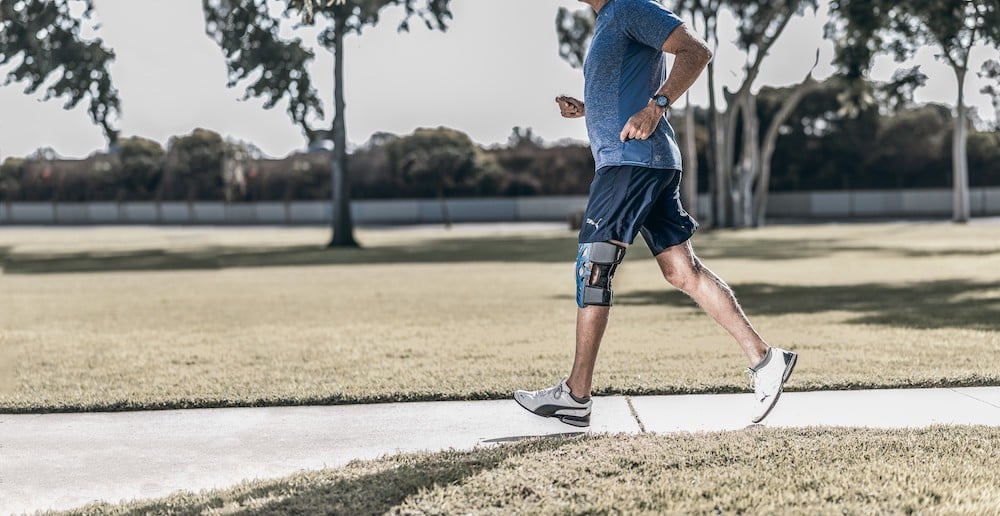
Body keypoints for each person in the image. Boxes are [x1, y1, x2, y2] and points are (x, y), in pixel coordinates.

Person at [514, 0, 797, 427]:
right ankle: (766, 359)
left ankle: (576, 395)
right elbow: (624, 91)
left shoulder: (629, 7)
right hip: (644, 161)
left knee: (594, 267)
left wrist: (658, 104)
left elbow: (697, 51)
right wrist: (589, 110)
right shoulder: (609, 21)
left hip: (632, 163)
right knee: (683, 272)